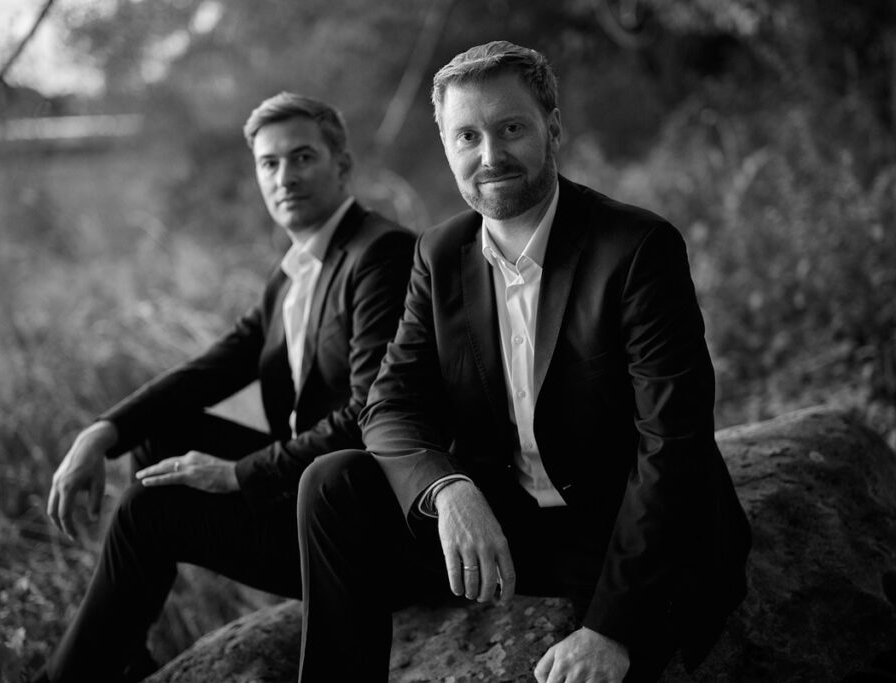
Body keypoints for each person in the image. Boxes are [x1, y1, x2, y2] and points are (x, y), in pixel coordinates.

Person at [295, 42, 751, 682]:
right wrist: (447, 489)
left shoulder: (637, 248)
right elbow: (391, 403)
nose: (490, 156)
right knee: (332, 484)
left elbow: (673, 443)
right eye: (468, 136)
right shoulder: (439, 253)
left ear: (552, 129)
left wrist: (610, 630)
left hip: (620, 529)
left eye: (511, 128)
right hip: (507, 522)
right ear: (447, 147)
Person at [36, 92, 415, 682]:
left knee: (148, 510)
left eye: (303, 157)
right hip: (301, 494)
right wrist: (102, 432)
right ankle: (123, 652)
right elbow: (212, 369)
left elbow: (371, 418)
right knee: (161, 438)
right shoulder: (294, 272)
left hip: (357, 526)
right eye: (269, 163)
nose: (285, 177)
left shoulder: (381, 255)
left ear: (342, 166)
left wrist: (237, 474)